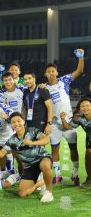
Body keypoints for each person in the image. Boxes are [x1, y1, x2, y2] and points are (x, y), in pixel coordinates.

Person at [44, 49, 84, 185]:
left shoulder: (64, 81)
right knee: (55, 149)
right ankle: (58, 174)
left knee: (73, 148)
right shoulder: (43, 88)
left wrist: (81, 57)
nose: (50, 73)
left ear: (57, 73)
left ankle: (75, 174)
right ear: (45, 74)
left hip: (69, 122)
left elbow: (79, 71)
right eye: (48, 72)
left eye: (52, 71)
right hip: (54, 124)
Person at [0, 112, 53, 203]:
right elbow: (1, 154)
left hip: (42, 157)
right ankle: (40, 183)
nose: (16, 124)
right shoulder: (12, 140)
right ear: (11, 125)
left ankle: (49, 192)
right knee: (22, 194)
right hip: (30, 166)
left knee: (45, 165)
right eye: (13, 122)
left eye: (19, 121)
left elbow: (47, 139)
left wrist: (32, 143)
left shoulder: (32, 131)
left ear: (24, 121)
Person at [61, 97, 91, 188]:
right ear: (80, 108)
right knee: (88, 156)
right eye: (83, 106)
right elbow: (69, 127)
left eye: (87, 106)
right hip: (89, 139)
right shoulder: (79, 118)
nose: (85, 108)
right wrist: (63, 119)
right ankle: (89, 180)